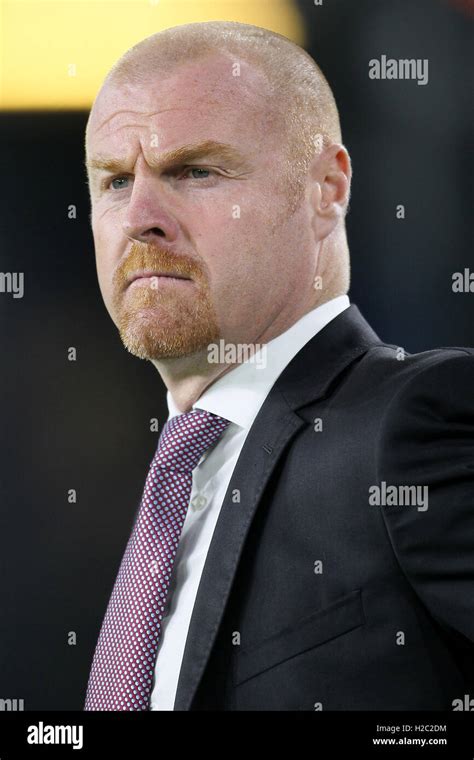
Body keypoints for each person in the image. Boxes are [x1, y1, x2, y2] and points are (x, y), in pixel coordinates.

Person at [82, 21, 474, 711]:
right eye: (115, 181)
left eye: (195, 171)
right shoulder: (176, 481)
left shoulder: (416, 423)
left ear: (326, 188)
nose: (140, 215)